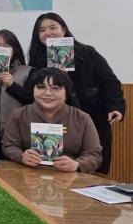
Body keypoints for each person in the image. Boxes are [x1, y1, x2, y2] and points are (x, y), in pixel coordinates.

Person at [27, 12, 125, 174]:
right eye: (42, 30)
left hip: (94, 120)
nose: (47, 33)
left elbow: (109, 81)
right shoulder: (37, 61)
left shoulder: (87, 53)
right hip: (55, 128)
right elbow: (32, 94)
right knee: (56, 174)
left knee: (94, 171)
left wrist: (116, 107)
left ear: (64, 29)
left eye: (53, 27)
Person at [2, 67, 102, 173]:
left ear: (67, 91)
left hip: (69, 176)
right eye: (41, 87)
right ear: (33, 90)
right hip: (28, 174)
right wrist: (21, 156)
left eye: (55, 88)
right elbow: (9, 145)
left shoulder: (82, 118)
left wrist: (77, 164)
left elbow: (94, 154)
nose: (48, 93)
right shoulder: (18, 115)